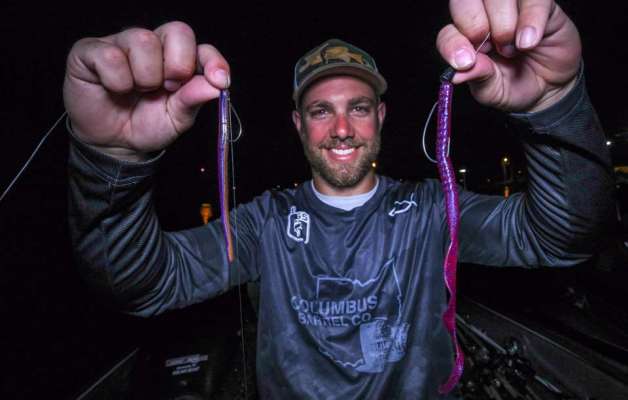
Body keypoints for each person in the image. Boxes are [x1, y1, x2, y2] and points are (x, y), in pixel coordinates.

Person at [64, 1, 613, 399]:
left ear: (381, 117)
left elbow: (560, 237)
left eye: (359, 107)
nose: (343, 128)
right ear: (298, 124)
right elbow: (141, 283)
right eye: (322, 111)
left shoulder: (431, 210)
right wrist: (113, 162)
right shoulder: (266, 222)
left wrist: (554, 106)